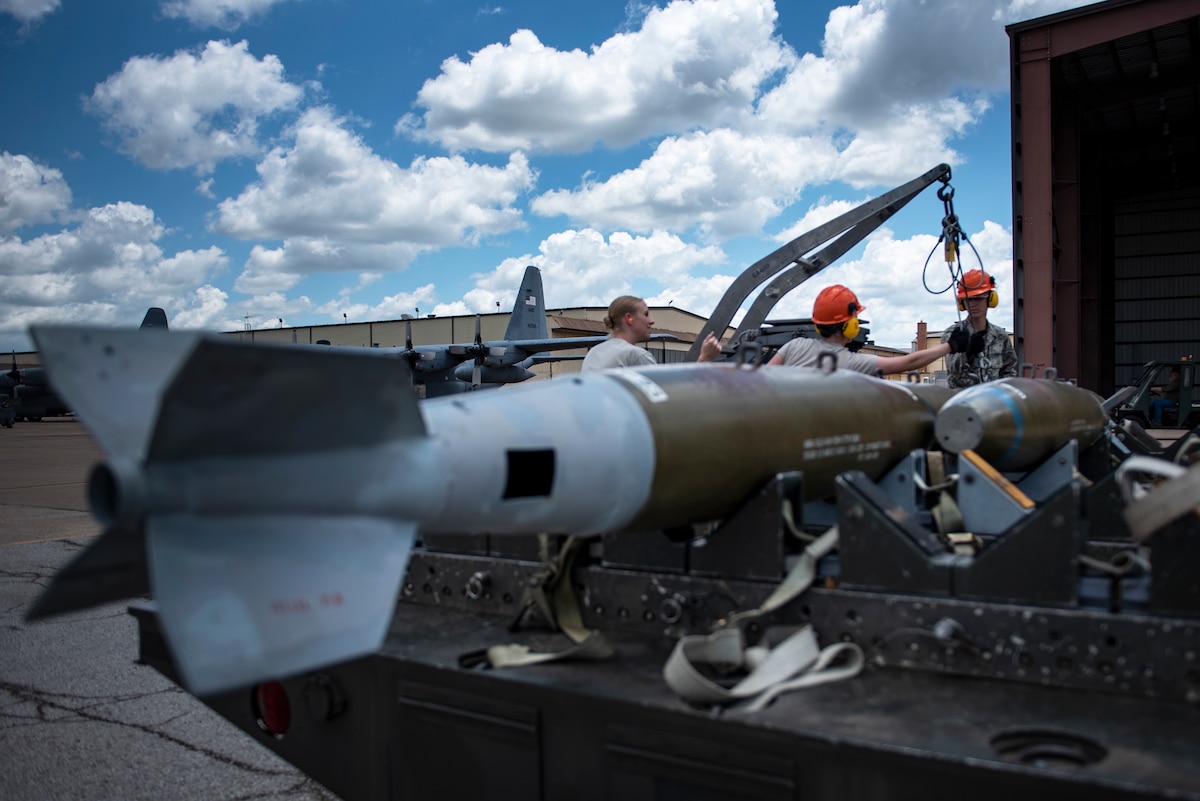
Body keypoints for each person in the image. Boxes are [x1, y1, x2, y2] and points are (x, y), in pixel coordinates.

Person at [768, 284, 983, 374]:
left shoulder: (793, 345)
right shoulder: (850, 362)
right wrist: (950, 346)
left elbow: (762, 378)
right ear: (848, 326)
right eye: (855, 318)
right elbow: (908, 362)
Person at [581, 295, 721, 371]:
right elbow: (669, 402)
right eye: (646, 314)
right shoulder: (635, 356)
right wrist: (704, 359)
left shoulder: (594, 352)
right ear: (629, 318)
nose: (651, 321)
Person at [940, 269, 1018, 388]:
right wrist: (967, 354)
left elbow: (1009, 371)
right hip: (963, 401)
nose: (973, 304)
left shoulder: (1000, 336)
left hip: (994, 402)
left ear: (990, 299)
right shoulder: (953, 335)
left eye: (978, 298)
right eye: (968, 299)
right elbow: (953, 373)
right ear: (962, 303)